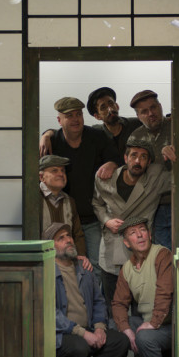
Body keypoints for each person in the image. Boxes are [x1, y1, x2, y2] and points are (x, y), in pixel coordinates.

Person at [42, 97, 121, 281]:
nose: (75, 119)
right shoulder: (53, 141)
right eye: (69, 116)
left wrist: (111, 163)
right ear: (59, 120)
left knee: (97, 265)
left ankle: (93, 298)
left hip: (93, 216)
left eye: (79, 114)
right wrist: (46, 135)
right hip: (64, 217)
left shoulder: (96, 136)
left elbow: (117, 159)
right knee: (62, 266)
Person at [93, 138, 171, 319]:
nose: (138, 161)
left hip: (140, 250)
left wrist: (174, 157)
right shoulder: (105, 177)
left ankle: (139, 335)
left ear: (149, 162)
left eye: (143, 157)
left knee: (140, 307)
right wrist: (106, 221)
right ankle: (116, 335)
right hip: (112, 248)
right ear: (125, 158)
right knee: (113, 306)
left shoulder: (155, 178)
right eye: (134, 155)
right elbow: (97, 203)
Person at [48, 222, 129, 357]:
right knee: (79, 347)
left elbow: (98, 301)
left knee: (120, 341)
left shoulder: (84, 267)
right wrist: (82, 333)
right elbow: (49, 313)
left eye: (69, 236)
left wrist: (99, 328)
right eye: (61, 238)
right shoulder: (46, 272)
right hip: (64, 333)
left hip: (88, 329)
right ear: (50, 247)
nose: (68, 240)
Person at [112, 216, 174, 357]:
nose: (139, 235)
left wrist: (153, 323)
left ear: (150, 235)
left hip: (170, 325)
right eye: (133, 233)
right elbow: (118, 303)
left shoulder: (162, 255)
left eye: (142, 230)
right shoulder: (127, 268)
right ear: (127, 243)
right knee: (117, 326)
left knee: (144, 338)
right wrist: (126, 329)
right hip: (148, 322)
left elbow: (164, 292)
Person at [129, 90, 176, 249]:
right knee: (163, 254)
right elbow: (133, 174)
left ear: (161, 106)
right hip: (155, 208)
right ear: (138, 116)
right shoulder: (135, 138)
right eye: (144, 111)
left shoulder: (177, 127)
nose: (151, 113)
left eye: (153, 107)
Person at [39, 154, 92, 271]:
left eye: (63, 171)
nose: (61, 174)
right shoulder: (34, 199)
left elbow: (77, 233)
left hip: (67, 259)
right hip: (42, 261)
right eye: (54, 170)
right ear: (41, 177)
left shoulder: (69, 201)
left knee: (87, 271)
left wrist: (81, 255)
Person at [87, 86, 142, 157]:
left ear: (117, 106)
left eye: (111, 103)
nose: (110, 109)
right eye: (103, 107)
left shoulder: (137, 124)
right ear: (97, 116)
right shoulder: (96, 134)